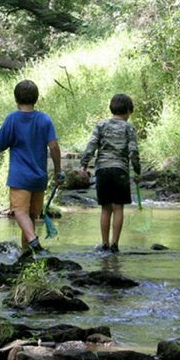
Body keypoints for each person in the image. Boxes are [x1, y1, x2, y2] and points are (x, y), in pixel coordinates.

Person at [0, 79, 63, 252]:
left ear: (16, 99)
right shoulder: (44, 119)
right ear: (36, 98)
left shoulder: (12, 119)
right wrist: (58, 171)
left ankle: (33, 241)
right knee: (31, 217)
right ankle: (27, 253)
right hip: (39, 177)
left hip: (20, 177)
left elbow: (1, 145)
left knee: (20, 213)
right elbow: (54, 146)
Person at [79, 93, 141, 254]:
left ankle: (104, 244)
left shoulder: (101, 125)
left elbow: (91, 146)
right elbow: (133, 151)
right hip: (120, 170)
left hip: (102, 170)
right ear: (128, 110)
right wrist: (137, 170)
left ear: (111, 109)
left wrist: (83, 165)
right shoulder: (129, 128)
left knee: (106, 208)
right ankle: (115, 244)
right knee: (118, 207)